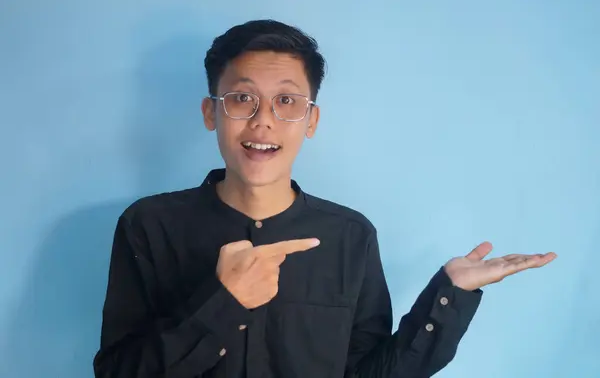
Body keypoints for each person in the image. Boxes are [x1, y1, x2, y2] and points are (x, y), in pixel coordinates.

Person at [92, 19, 557, 378]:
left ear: (311, 121)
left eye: (287, 102)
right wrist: (224, 301)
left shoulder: (350, 236)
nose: (263, 122)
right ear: (211, 112)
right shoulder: (150, 225)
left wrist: (451, 294)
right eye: (242, 99)